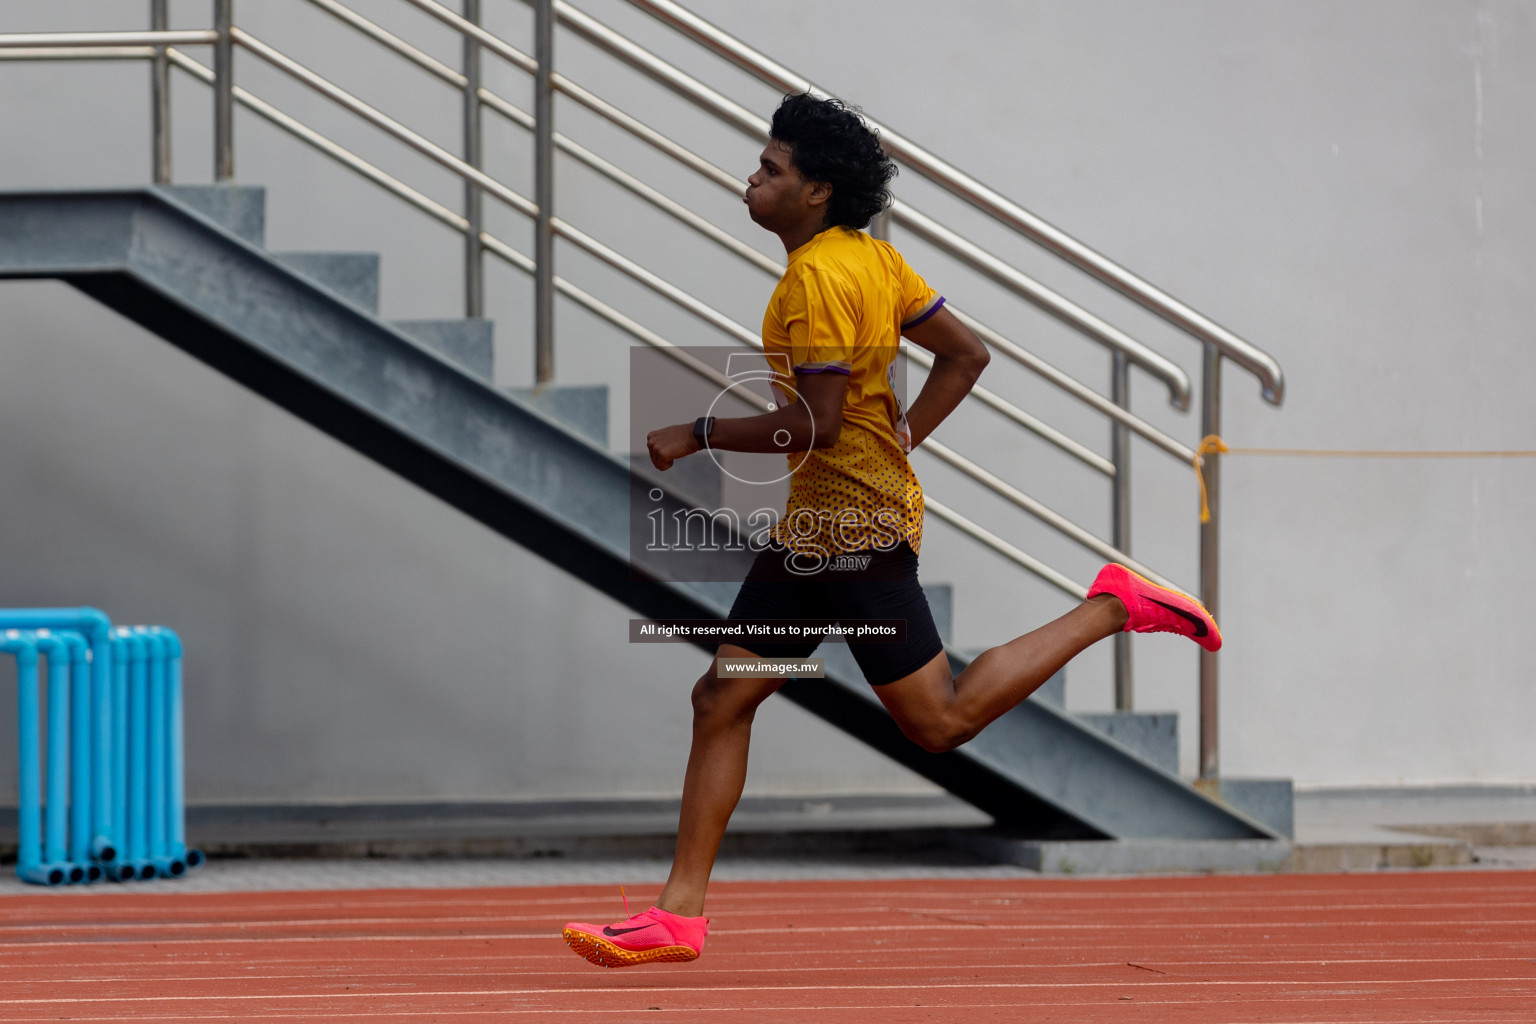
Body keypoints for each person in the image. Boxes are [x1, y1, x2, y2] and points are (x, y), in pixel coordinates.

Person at [561, 93, 1220, 969]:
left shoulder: (818, 280)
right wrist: (901, 435)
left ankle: (1112, 606)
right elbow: (966, 355)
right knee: (723, 699)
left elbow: (819, 424)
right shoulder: (873, 259)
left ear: (818, 191)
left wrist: (703, 432)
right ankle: (679, 914)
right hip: (817, 528)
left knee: (939, 724)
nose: (749, 181)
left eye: (770, 170)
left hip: (855, 527)